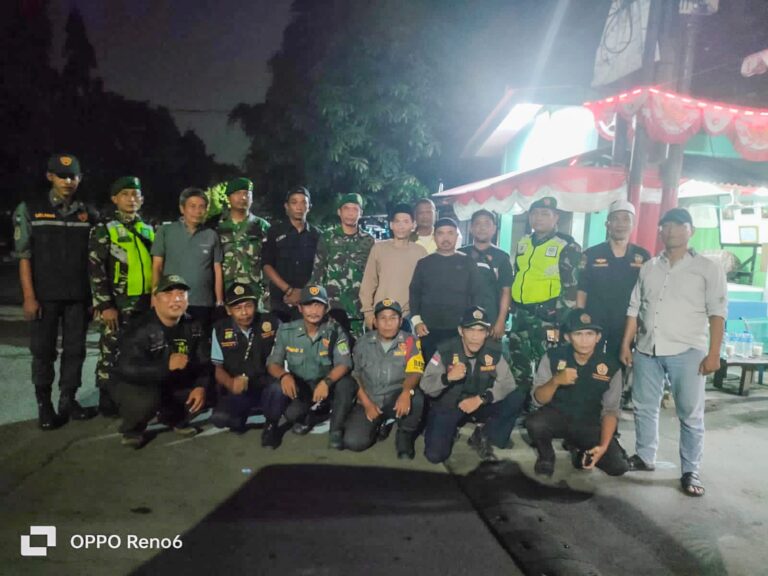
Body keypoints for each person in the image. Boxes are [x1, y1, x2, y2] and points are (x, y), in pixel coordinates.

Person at [621, 208, 726, 497]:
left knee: (690, 413)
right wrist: (626, 344)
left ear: (691, 231)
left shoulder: (708, 268)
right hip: (647, 349)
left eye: (679, 226)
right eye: (666, 226)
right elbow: (634, 308)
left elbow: (718, 312)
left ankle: (690, 469)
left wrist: (714, 353)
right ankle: (645, 456)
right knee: (644, 406)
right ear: (660, 232)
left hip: (687, 350)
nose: (671, 231)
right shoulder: (649, 267)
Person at [13, 153, 99, 429]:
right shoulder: (31, 209)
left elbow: (94, 260)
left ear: (80, 178)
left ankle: (68, 400)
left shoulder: (88, 213)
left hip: (78, 297)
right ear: (50, 176)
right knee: (43, 351)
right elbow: (24, 256)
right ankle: (44, 405)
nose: (67, 181)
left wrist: (95, 298)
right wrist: (29, 297)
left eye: (73, 176)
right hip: (44, 296)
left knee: (75, 351)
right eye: (62, 176)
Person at [526, 308, 629, 477]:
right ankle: (546, 456)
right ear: (568, 337)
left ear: (598, 337)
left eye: (590, 334)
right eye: (578, 334)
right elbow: (538, 399)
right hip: (557, 417)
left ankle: (578, 451)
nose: (584, 340)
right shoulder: (552, 357)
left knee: (618, 467)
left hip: (589, 423)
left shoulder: (611, 366)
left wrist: (603, 446)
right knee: (534, 422)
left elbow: (611, 411)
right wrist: (555, 381)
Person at [112, 275, 208, 448]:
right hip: (139, 384)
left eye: (181, 294)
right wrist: (165, 367)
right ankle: (133, 429)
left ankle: (174, 418)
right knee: (147, 399)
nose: (176, 299)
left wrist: (201, 386)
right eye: (168, 294)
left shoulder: (194, 325)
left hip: (173, 382)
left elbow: (204, 361)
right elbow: (125, 368)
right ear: (155, 300)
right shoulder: (139, 326)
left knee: (209, 390)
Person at [420, 306, 524, 463]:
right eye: (470, 330)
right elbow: (426, 386)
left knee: (517, 396)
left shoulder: (493, 351)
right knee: (435, 456)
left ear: (487, 333)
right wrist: (447, 378)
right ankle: (445, 429)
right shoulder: (445, 350)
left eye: (481, 331)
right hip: (451, 405)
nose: (475, 336)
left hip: (480, 402)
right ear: (461, 331)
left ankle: (484, 434)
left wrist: (482, 398)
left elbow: (508, 383)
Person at [89, 176, 155, 417]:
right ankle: (106, 397)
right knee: (111, 350)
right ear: (114, 199)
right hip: (117, 303)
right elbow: (96, 269)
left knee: (139, 350)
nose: (131, 199)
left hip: (145, 303)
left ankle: (134, 394)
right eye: (125, 194)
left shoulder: (148, 230)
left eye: (135, 194)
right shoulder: (105, 230)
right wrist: (105, 305)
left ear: (142, 199)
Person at [577, 199, 651, 408]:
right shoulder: (591, 254)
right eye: (615, 219)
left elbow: (648, 293)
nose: (620, 224)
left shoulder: (643, 256)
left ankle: (613, 404)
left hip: (626, 322)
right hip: (595, 320)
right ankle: (589, 402)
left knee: (620, 363)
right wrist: (579, 318)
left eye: (625, 219)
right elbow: (582, 288)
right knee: (590, 361)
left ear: (633, 224)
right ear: (607, 224)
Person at [263, 284, 354, 449]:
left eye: (318, 305)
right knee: (286, 404)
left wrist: (326, 382)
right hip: (301, 386)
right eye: (308, 305)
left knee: (347, 383)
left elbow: (344, 363)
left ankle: (336, 429)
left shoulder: (335, 331)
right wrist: (284, 375)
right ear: (300, 308)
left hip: (326, 386)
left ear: (326, 308)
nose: (314, 310)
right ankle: (271, 427)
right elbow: (272, 363)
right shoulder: (286, 331)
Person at [508, 196, 582, 393]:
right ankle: (520, 404)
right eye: (534, 214)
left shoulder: (567, 246)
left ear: (556, 217)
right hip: (522, 315)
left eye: (544, 214)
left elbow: (572, 289)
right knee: (519, 364)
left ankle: (544, 406)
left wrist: (559, 318)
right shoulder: (524, 242)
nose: (538, 218)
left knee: (549, 364)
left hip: (547, 318)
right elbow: (519, 274)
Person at [340, 299, 425, 458]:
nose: (388, 323)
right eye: (383, 318)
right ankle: (379, 423)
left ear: (400, 321)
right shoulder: (362, 343)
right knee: (354, 442)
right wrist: (367, 404)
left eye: (393, 318)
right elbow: (355, 375)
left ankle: (404, 437)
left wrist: (406, 392)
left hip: (396, 398)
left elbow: (415, 371)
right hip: (370, 398)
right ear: (375, 321)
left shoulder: (410, 341)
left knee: (417, 398)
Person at [151, 187, 224, 336]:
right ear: (182, 208)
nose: (198, 211)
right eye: (193, 206)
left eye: (202, 207)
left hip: (203, 303)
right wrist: (154, 297)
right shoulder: (165, 231)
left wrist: (219, 301)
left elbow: (217, 269)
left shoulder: (211, 235)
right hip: (172, 302)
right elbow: (157, 266)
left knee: (200, 345)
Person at [409, 217, 482, 362]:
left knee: (458, 367)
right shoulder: (424, 263)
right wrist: (417, 322)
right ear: (434, 237)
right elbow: (414, 292)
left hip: (459, 328)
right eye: (441, 233)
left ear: (457, 236)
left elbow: (477, 294)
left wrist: (472, 325)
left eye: (450, 233)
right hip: (428, 328)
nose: (446, 238)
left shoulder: (468, 262)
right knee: (429, 367)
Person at [210, 282, 279, 435]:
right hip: (239, 387)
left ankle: (271, 424)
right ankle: (240, 416)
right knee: (220, 418)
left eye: (248, 306)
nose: (244, 312)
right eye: (238, 308)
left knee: (278, 389)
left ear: (256, 305)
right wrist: (230, 383)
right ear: (228, 310)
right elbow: (217, 367)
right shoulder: (219, 329)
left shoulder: (271, 322)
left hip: (266, 384)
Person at [310, 193, 374, 336]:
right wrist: (316, 303)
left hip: (359, 309)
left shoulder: (368, 240)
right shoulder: (327, 237)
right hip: (332, 308)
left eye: (355, 209)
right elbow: (318, 271)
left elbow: (373, 275)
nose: (351, 213)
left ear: (361, 213)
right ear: (339, 212)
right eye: (346, 208)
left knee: (359, 347)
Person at [359, 203, 427, 332]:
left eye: (406, 221)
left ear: (413, 225)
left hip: (407, 317)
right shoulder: (379, 249)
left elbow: (424, 288)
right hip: (381, 315)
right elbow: (368, 283)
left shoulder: (420, 252)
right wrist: (368, 313)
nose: (401, 226)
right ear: (391, 225)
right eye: (397, 221)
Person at [262, 186, 321, 322]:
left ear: (309, 207)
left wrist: (302, 293)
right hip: (280, 300)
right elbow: (266, 264)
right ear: (286, 206)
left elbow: (320, 268)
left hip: (308, 301)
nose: (299, 207)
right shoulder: (274, 232)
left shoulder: (317, 235)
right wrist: (289, 290)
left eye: (303, 202)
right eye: (294, 202)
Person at [459, 209, 514, 340]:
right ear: (471, 228)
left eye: (487, 224)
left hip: (491, 318)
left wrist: (501, 321)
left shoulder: (502, 257)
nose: (482, 228)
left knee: (490, 353)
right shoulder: (460, 254)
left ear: (494, 229)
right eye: (478, 223)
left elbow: (506, 291)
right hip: (463, 317)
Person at [216, 177, 270, 300]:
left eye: (247, 194)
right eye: (237, 193)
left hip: (254, 291)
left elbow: (271, 261)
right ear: (229, 198)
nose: (243, 197)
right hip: (224, 292)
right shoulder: (217, 226)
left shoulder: (262, 226)